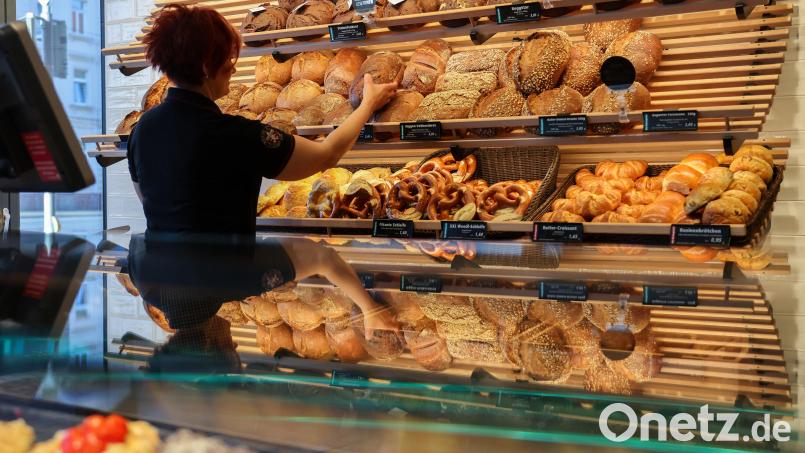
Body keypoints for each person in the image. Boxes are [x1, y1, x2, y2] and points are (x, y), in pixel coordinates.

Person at [128, 5, 397, 235]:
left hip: (158, 280)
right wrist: (367, 105)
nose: (233, 67)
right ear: (206, 67)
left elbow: (151, 206)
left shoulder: (141, 131)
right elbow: (325, 155)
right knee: (315, 257)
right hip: (223, 284)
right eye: (227, 58)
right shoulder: (234, 135)